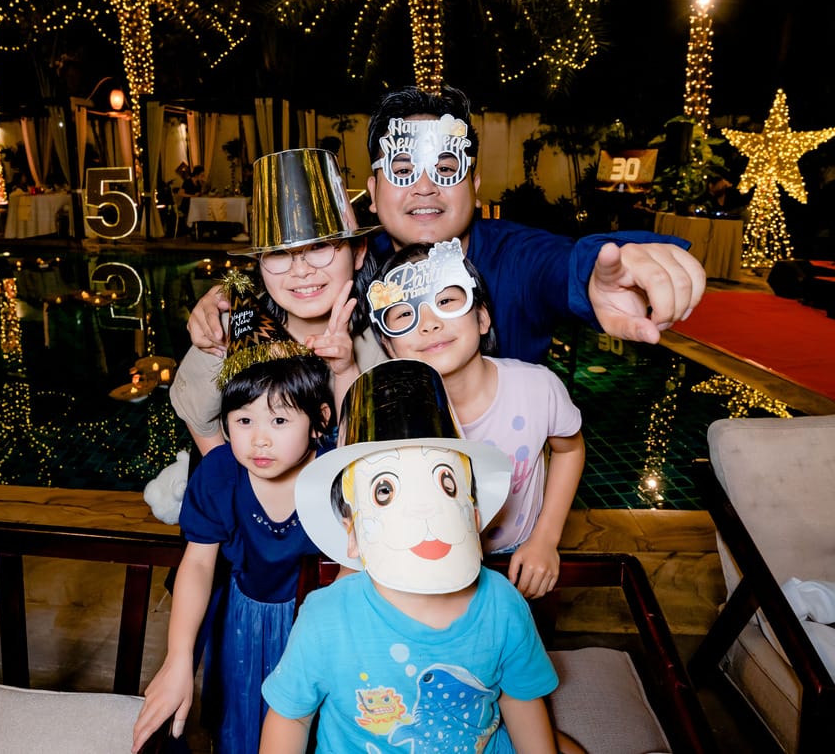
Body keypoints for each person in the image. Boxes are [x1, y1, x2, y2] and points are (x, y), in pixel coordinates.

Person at [189, 86, 707, 366]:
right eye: (403, 170)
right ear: (373, 191)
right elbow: (294, 273)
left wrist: (601, 272)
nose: (424, 188)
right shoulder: (358, 257)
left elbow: (566, 264)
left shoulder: (515, 258)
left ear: (474, 185)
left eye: (444, 169)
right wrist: (229, 298)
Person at [261, 359, 572, 754]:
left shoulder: (502, 604)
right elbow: (291, 716)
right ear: (351, 535)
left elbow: (521, 701)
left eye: (447, 483)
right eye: (384, 491)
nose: (423, 511)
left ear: (475, 517)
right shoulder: (325, 619)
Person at [131, 353, 334, 754]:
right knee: (239, 717)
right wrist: (178, 658)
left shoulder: (337, 475)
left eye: (279, 420)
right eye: (244, 420)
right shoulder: (220, 471)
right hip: (242, 621)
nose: (259, 439)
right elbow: (198, 561)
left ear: (319, 421)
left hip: (315, 625)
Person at [368, 239, 584, 599]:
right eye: (405, 314)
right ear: (388, 345)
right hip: (429, 562)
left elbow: (569, 450)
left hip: (517, 558)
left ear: (482, 318)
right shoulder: (390, 415)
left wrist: (546, 538)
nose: (429, 323)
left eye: (446, 301)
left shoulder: (538, 388)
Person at [169, 148, 387, 457]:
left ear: (359, 252)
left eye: (320, 246)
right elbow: (199, 419)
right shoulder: (230, 332)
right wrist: (234, 482)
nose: (301, 270)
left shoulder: (390, 336)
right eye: (279, 253)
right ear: (259, 263)